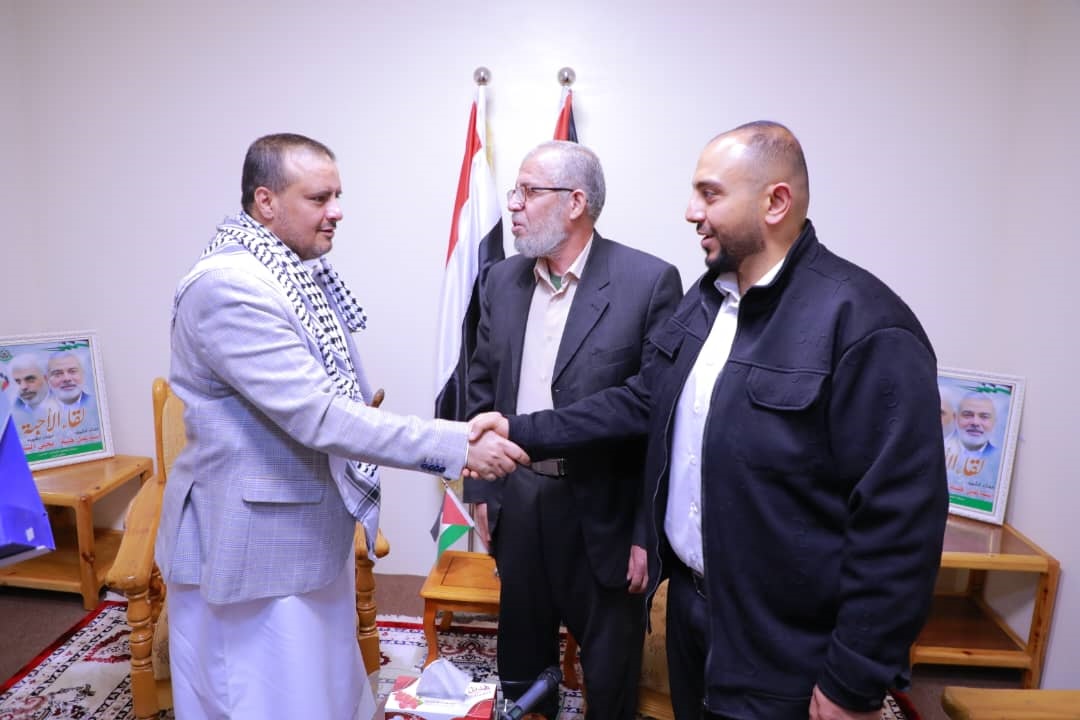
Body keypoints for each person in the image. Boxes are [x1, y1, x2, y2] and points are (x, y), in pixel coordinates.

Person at [156, 133, 529, 720]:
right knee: (262, 699)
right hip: (252, 551)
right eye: (319, 198)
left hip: (300, 531)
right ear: (265, 201)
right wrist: (458, 444)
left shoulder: (290, 269)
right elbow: (321, 415)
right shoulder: (232, 287)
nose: (336, 211)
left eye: (337, 195)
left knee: (321, 691)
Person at [639, 122, 948, 719]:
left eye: (709, 194)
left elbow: (900, 524)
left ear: (775, 202)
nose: (690, 212)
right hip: (694, 617)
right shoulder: (708, 299)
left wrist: (854, 679)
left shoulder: (866, 323)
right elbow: (648, 405)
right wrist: (521, 431)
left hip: (785, 654)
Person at [463, 140, 683, 720]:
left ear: (575, 202)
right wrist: (481, 489)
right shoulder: (500, 281)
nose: (513, 204)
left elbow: (654, 415)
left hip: (604, 510)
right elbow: (480, 388)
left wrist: (646, 532)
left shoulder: (648, 282)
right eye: (514, 191)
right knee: (522, 671)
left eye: (528, 191)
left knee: (608, 682)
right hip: (519, 500)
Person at [944, 393, 1001, 499]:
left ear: (994, 422)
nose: (975, 422)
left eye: (984, 417)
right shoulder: (937, 452)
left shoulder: (999, 460)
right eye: (967, 415)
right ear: (955, 418)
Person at [45, 351, 101, 446]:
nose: (66, 378)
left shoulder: (97, 407)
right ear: (47, 379)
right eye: (58, 374)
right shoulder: (38, 414)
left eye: (73, 371)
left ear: (83, 374)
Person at [9, 353, 62, 448]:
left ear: (46, 379)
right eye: (17, 382)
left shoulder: (71, 403)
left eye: (30, 379)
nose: (23, 387)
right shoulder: (9, 415)